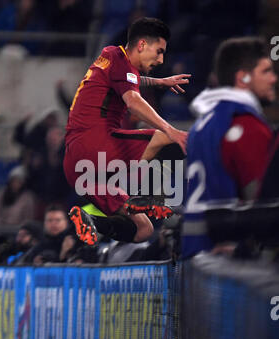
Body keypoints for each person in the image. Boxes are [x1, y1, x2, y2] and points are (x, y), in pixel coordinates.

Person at [63, 17, 191, 246]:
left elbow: (128, 80)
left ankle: (91, 222)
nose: (161, 59)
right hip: (94, 146)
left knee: (143, 229)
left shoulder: (111, 57)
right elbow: (132, 99)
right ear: (141, 45)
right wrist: (170, 130)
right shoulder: (119, 58)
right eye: (159, 51)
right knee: (169, 139)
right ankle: (154, 196)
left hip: (79, 167)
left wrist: (159, 83)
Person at [182, 36, 278, 259]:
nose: (273, 79)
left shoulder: (203, 123)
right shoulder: (246, 124)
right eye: (266, 71)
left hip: (195, 259)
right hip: (227, 262)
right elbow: (264, 205)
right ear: (242, 78)